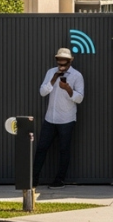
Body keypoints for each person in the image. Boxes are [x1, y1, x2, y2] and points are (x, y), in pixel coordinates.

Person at [33, 48, 85, 189]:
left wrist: (68, 88)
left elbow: (79, 98)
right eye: (59, 62)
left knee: (64, 150)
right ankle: (33, 179)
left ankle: (59, 180)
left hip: (67, 119)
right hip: (50, 118)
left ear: (70, 61)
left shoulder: (76, 75)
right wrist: (54, 79)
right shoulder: (51, 72)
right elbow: (43, 92)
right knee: (41, 148)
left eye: (64, 63)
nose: (61, 65)